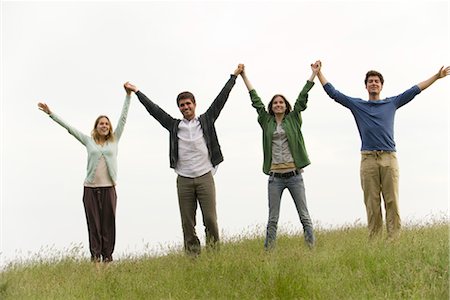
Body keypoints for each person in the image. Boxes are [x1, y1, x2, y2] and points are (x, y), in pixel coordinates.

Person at [316, 61, 450, 240]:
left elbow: (414, 90)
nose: (373, 83)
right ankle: (375, 240)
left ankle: (394, 239)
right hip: (368, 159)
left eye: (376, 81)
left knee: (392, 200)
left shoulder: (392, 103)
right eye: (370, 81)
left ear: (381, 86)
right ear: (366, 86)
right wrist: (318, 74)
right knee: (372, 202)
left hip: (389, 157)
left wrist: (437, 76)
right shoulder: (357, 105)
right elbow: (334, 94)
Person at [124, 65, 244, 256]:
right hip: (184, 179)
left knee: (210, 219)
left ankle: (214, 255)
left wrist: (234, 76)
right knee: (188, 222)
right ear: (179, 108)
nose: (186, 107)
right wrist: (137, 92)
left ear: (194, 105)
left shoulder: (205, 120)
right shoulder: (174, 126)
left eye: (188, 104)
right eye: (182, 105)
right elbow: (154, 111)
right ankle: (192, 258)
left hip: (205, 176)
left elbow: (221, 99)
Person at [37, 83, 132, 265]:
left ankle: (108, 260)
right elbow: (69, 128)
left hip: (109, 189)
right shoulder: (89, 141)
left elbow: (123, 118)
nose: (104, 126)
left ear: (110, 127)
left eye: (106, 123)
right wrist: (51, 114)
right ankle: (95, 259)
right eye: (100, 123)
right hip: (90, 189)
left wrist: (128, 96)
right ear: (96, 127)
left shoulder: (115, 139)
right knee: (94, 225)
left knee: (108, 225)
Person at [240, 62, 319, 250]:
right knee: (273, 219)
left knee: (304, 216)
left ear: (286, 106)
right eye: (275, 103)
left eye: (281, 102)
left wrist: (313, 75)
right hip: (275, 178)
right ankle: (269, 253)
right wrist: (244, 76)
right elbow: (256, 101)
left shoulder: (294, 119)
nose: (278, 105)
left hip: (294, 176)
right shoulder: (266, 122)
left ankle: (311, 249)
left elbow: (302, 98)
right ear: (272, 106)